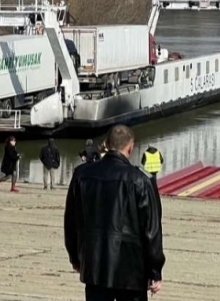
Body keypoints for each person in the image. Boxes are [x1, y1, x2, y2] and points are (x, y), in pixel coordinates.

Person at [64, 124, 165, 301]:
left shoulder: (82, 174)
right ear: (130, 147)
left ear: (107, 144)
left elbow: (71, 221)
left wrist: (75, 257)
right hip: (132, 271)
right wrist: (155, 270)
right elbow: (151, 230)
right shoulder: (140, 180)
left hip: (95, 266)